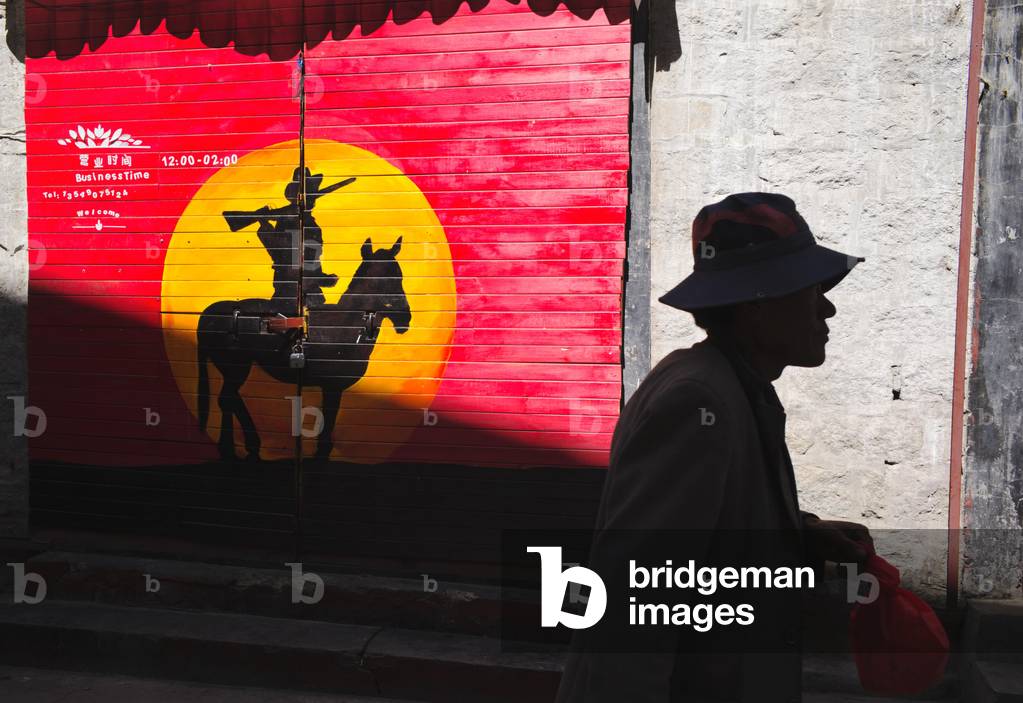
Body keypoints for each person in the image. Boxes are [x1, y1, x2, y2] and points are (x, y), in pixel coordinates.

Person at [555, 192, 875, 703]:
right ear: (756, 306)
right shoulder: (698, 401)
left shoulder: (734, 385)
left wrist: (797, 534)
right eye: (811, 290)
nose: (827, 307)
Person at [223, 167, 355, 313]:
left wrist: (321, 278)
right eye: (309, 194)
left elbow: (310, 260)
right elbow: (288, 256)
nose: (312, 200)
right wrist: (264, 222)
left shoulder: (309, 225)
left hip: (304, 287)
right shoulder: (291, 222)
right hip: (289, 288)